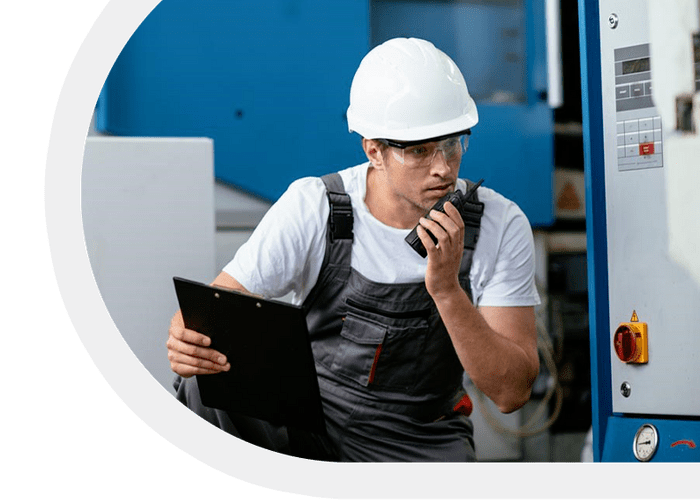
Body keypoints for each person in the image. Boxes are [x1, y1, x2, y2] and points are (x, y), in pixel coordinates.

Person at [167, 37, 540, 462]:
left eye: (453, 143)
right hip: (308, 425)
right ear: (373, 151)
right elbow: (215, 309)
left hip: (419, 441)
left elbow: (512, 393)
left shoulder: (499, 225)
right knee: (204, 384)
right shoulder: (316, 207)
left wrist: (448, 291)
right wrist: (189, 335)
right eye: (419, 151)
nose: (443, 167)